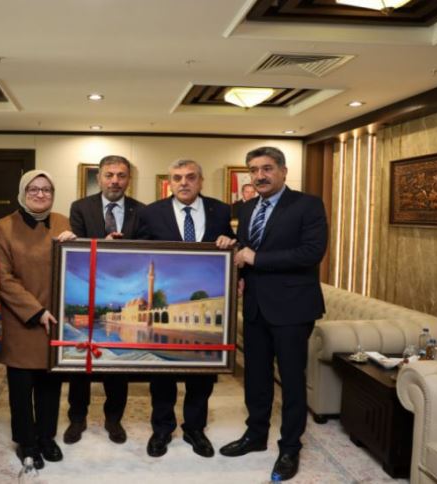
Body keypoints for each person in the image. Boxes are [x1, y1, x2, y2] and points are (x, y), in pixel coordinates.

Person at [220, 146, 327, 482]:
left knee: (292, 381)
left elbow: (311, 252)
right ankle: (255, 435)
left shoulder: (307, 205)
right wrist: (237, 256)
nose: (260, 176)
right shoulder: (248, 207)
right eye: (254, 170)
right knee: (256, 377)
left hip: (293, 307)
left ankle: (290, 447)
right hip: (255, 305)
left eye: (267, 168)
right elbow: (248, 246)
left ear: (283, 171)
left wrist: (256, 259)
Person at [136, 159, 236, 458]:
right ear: (170, 182)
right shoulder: (151, 212)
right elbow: (138, 249)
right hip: (168, 291)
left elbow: (233, 249)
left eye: (190, 177)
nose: (184, 183)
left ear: (200, 181)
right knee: (162, 377)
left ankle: (195, 429)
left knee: (202, 376)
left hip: (208, 290)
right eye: (177, 177)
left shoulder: (221, 211)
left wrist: (230, 241)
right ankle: (162, 429)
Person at [0, 170, 77, 470]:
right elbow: (3, 278)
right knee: (21, 388)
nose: (41, 194)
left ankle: (46, 437)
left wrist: (75, 245)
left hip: (55, 320)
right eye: (33, 189)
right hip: (22, 319)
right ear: (22, 192)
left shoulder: (63, 222)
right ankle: (27, 442)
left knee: (50, 386)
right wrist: (35, 311)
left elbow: (72, 267)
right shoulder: (3, 227)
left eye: (47, 189)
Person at [64, 155, 146, 445]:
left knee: (118, 366)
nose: (115, 181)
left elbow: (148, 250)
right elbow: (74, 252)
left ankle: (114, 419)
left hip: (122, 289)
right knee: (81, 364)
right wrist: (103, 245)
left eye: (121, 175)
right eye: (109, 175)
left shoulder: (141, 210)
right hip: (89, 289)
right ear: (99, 178)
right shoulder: (80, 207)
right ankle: (77, 418)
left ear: (129, 179)